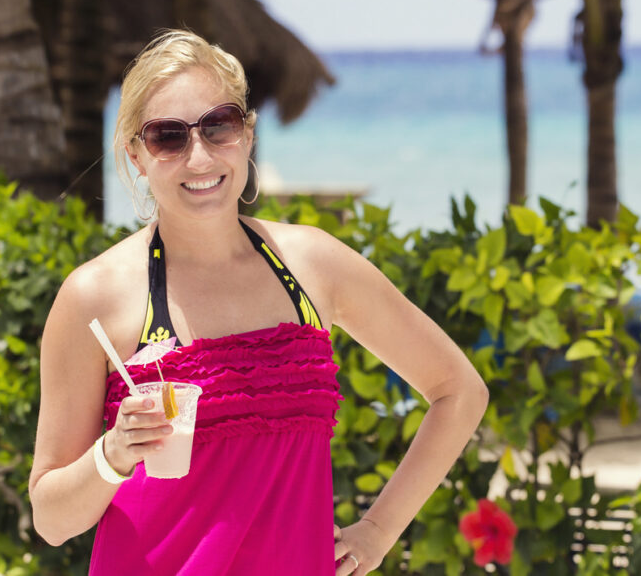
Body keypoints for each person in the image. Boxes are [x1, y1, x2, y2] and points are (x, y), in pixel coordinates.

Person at [28, 29, 489, 575]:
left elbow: (458, 391)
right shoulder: (95, 296)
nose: (199, 157)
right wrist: (113, 453)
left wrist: (378, 530)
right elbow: (52, 520)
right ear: (136, 156)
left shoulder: (312, 264)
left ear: (246, 136)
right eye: (168, 137)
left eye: (218, 126)